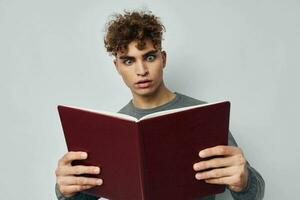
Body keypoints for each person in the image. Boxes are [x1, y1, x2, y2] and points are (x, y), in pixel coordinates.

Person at [55, 10, 265, 200]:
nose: (141, 70)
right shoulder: (110, 130)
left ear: (163, 59)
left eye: (150, 57)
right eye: (128, 61)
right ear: (117, 66)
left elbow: (253, 193)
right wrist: (64, 191)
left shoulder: (203, 116)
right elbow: (83, 194)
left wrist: (244, 180)